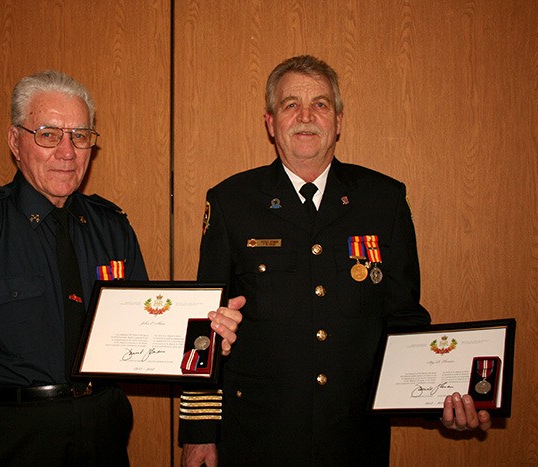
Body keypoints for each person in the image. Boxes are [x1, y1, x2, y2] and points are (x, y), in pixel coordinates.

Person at [0, 70, 242, 466]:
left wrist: (206, 337)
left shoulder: (112, 227)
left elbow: (148, 334)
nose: (67, 151)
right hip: (5, 442)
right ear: (16, 141)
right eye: (48, 134)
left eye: (80, 136)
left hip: (101, 438)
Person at [179, 55, 491, 466]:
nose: (306, 116)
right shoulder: (230, 202)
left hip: (354, 437)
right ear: (271, 123)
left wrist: (441, 397)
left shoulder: (384, 200)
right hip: (258, 436)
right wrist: (200, 433)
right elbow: (205, 326)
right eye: (291, 104)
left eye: (321, 104)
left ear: (338, 121)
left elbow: (403, 317)